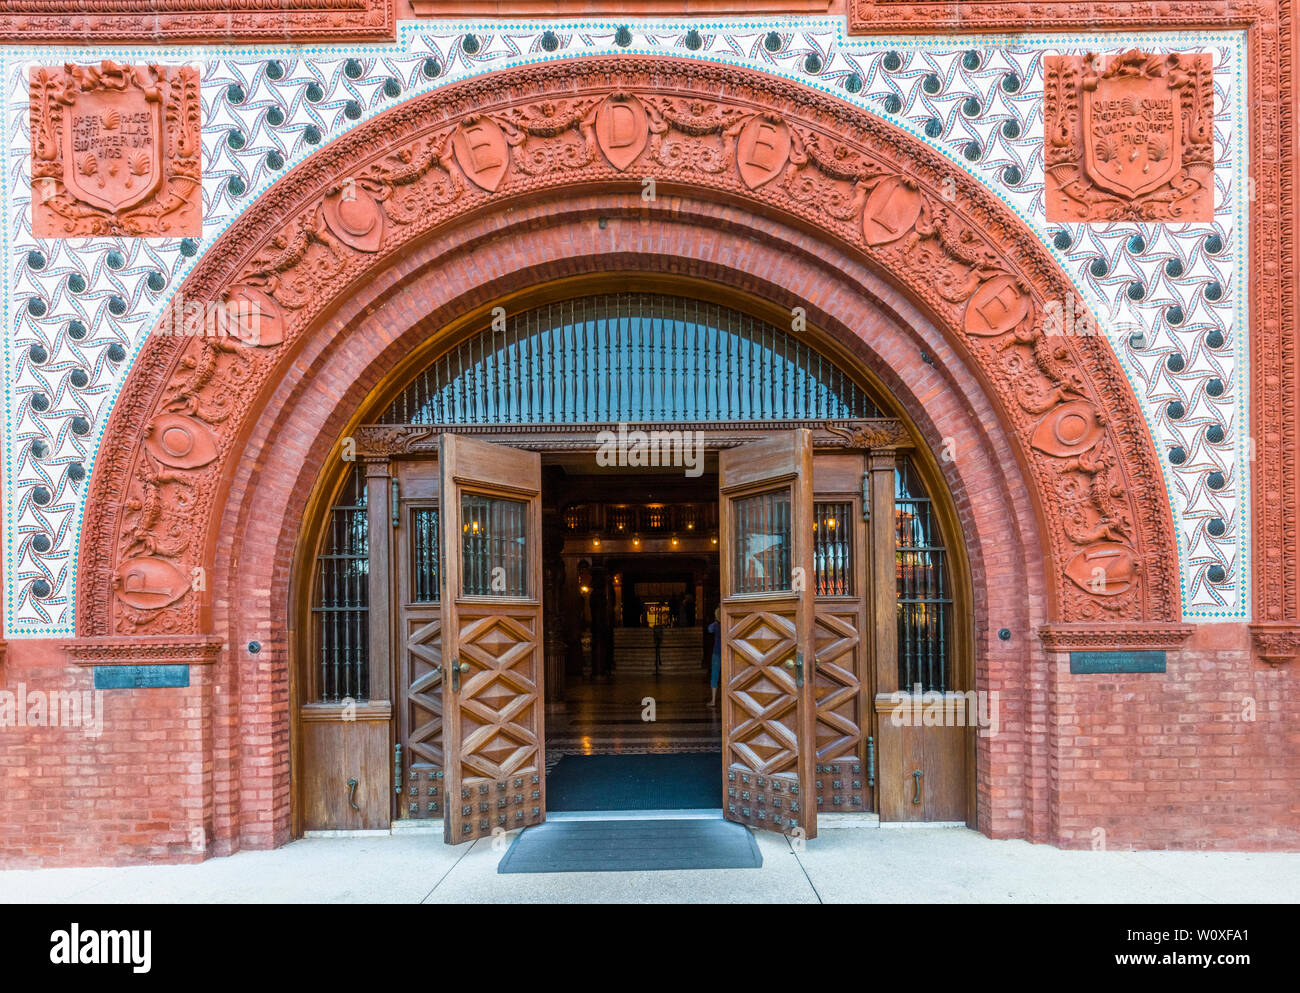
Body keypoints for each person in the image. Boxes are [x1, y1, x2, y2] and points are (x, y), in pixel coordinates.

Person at [707, 607, 722, 706]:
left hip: (716, 652)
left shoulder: (715, 625)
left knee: (715, 676)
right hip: (726, 652)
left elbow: (709, 629)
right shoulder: (728, 623)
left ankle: (713, 700)